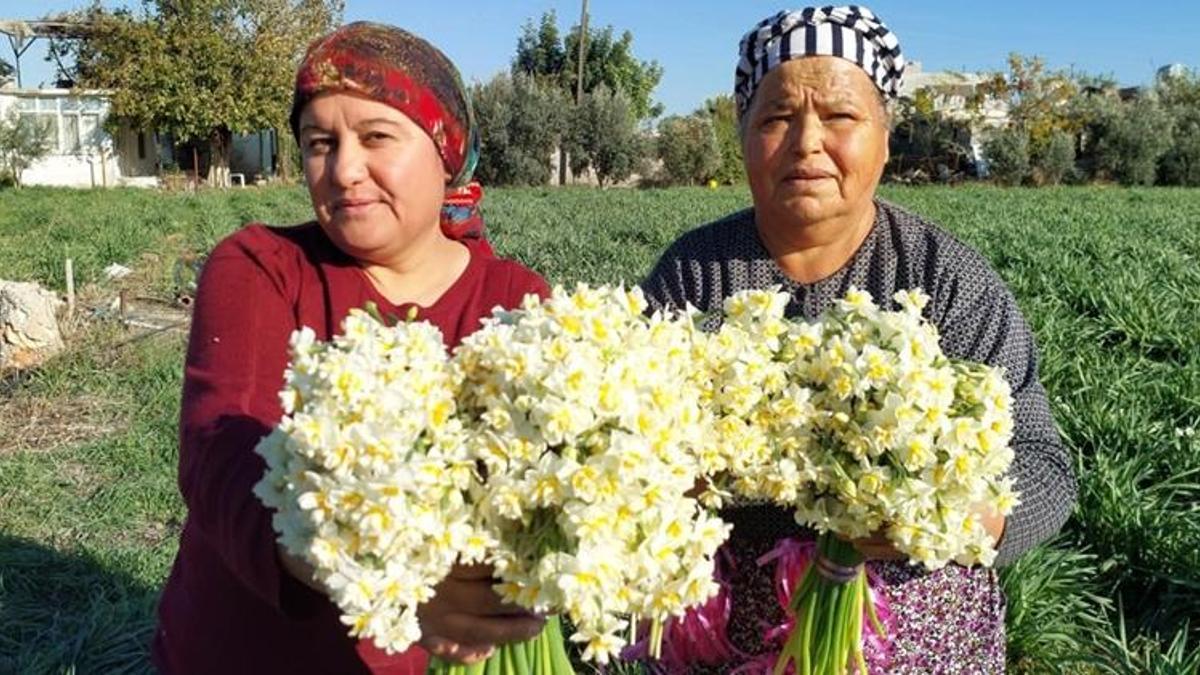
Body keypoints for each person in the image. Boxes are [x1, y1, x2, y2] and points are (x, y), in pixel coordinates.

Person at [641, 6, 1076, 673]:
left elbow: (1044, 466)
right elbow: (635, 442)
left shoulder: (944, 278)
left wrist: (939, 512)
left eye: (840, 117)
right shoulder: (694, 274)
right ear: (745, 136)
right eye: (777, 118)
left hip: (909, 626)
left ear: (885, 135)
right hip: (722, 628)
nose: (806, 141)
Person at [153, 22, 548, 674]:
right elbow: (219, 460)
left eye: (376, 137)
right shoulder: (261, 266)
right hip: (247, 652)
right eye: (319, 142)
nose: (343, 169)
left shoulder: (516, 301)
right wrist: (397, 583)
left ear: (444, 151)